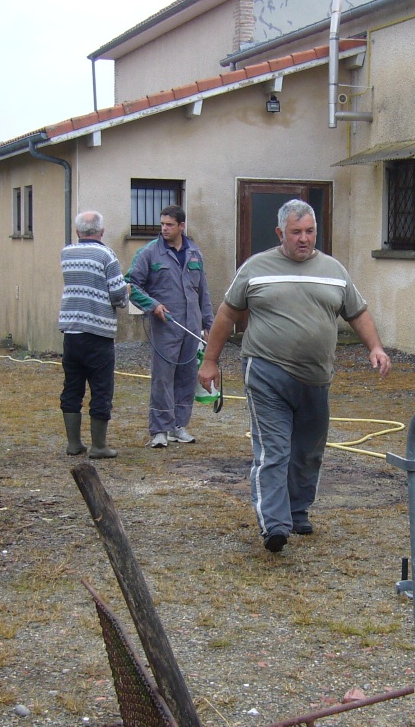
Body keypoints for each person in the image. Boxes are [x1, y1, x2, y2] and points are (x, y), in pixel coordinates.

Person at [199, 199, 390, 553]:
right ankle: (274, 524)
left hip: (316, 377)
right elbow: (226, 315)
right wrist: (210, 362)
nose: (304, 239)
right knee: (274, 451)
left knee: (308, 450)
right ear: (280, 233)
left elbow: (357, 313)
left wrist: (375, 348)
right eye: (296, 232)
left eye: (310, 231)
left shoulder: (333, 270)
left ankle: (297, 509)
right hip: (266, 371)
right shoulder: (256, 268)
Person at [127, 205, 215, 448]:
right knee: (163, 378)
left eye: (169, 224)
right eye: (162, 224)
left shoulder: (194, 253)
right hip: (166, 325)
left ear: (181, 226)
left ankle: (178, 426)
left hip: (191, 325)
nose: (164, 228)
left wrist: (210, 324)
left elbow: (203, 292)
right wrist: (153, 305)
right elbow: (131, 285)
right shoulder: (149, 253)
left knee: (186, 376)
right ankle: (159, 430)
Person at [59, 210, 128, 458]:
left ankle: (73, 444)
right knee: (101, 389)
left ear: (78, 232)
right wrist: (125, 295)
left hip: (71, 331)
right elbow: (118, 294)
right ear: (101, 231)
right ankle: (99, 446)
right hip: (98, 332)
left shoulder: (66, 253)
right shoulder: (106, 255)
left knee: (72, 387)